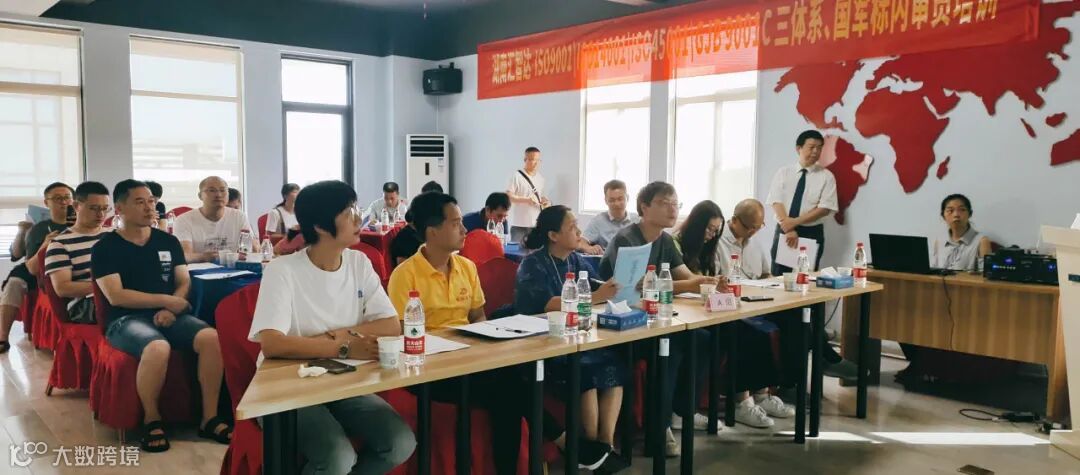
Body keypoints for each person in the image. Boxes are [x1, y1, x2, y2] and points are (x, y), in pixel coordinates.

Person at [388, 192, 608, 472]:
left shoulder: (466, 267)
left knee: (512, 383)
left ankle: (557, 449)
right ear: (433, 232)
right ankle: (567, 444)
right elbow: (402, 335)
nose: (465, 229)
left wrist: (487, 338)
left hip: (469, 358)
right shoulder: (405, 275)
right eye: (456, 223)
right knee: (511, 388)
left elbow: (477, 316)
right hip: (428, 368)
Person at [250, 180, 416, 474]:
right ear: (321, 226)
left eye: (357, 209)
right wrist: (344, 346)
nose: (359, 219)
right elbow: (273, 343)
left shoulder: (358, 262)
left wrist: (340, 336)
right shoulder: (282, 270)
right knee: (337, 457)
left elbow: (391, 325)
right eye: (349, 212)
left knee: (400, 442)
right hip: (288, 385)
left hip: (344, 381)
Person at [91, 179, 230, 452]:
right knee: (157, 347)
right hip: (125, 320)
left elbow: (183, 281)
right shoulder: (106, 247)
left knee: (212, 338)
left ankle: (209, 417)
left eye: (151, 201)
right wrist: (166, 301)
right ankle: (152, 419)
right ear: (119, 208)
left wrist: (170, 308)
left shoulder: (167, 241)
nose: (149, 207)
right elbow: (116, 295)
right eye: (140, 202)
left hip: (169, 315)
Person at [598, 182, 719, 456]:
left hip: (650, 319)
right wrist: (690, 285)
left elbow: (685, 276)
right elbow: (638, 287)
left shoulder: (665, 240)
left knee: (703, 338)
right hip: (618, 323)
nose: (673, 209)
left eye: (676, 204)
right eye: (666, 203)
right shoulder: (627, 240)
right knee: (669, 347)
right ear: (644, 207)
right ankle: (658, 430)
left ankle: (680, 411)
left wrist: (708, 282)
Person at [514, 205, 628, 469]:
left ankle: (605, 447)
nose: (579, 232)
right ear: (553, 235)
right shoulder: (533, 264)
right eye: (572, 227)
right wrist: (595, 297)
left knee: (613, 365)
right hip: (543, 343)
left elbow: (597, 287)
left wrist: (613, 288)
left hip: (576, 337)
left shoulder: (576, 260)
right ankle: (589, 448)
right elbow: (547, 303)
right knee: (584, 370)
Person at [673, 200, 793, 428]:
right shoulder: (677, 244)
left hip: (715, 306)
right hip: (692, 311)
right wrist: (709, 284)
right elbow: (691, 281)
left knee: (765, 328)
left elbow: (761, 274)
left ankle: (761, 395)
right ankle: (740, 402)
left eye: (715, 230)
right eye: (709, 229)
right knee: (742, 332)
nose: (712, 235)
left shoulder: (710, 245)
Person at [766, 130, 854, 380]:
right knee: (781, 291)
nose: (815, 152)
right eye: (811, 147)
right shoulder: (784, 172)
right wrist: (788, 226)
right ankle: (789, 355)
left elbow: (825, 208)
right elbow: (776, 201)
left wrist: (795, 223)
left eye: (819, 148)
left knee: (804, 292)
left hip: (810, 234)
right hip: (784, 232)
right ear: (799, 148)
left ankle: (815, 353)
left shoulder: (826, 176)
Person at [898, 194, 994, 384]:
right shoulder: (939, 241)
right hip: (937, 298)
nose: (956, 214)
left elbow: (987, 277)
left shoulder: (981, 241)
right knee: (905, 317)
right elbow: (933, 270)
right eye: (950, 210)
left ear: (970, 214)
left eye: (961, 210)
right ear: (943, 216)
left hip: (967, 301)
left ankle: (926, 367)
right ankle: (920, 364)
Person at [0, 182, 75, 353]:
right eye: (58, 198)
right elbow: (31, 267)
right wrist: (45, 245)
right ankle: (3, 337)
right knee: (14, 283)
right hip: (37, 271)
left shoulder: (82, 223)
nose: (64, 202)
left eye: (67, 197)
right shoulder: (39, 229)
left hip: (70, 267)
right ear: (47, 203)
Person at [44, 182, 112, 320]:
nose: (101, 214)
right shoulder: (60, 244)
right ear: (76, 206)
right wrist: (111, 287)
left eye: (105, 209)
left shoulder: (114, 235)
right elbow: (63, 288)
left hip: (121, 296)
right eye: (93, 208)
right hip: (86, 305)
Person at [173, 176, 258, 263]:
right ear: (200, 196)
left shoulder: (239, 216)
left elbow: (254, 249)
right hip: (198, 269)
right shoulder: (183, 220)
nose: (218, 195)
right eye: (212, 190)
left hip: (233, 268)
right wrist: (204, 257)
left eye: (222, 190)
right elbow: (185, 256)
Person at [506, 146, 550, 244]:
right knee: (518, 252)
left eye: (538, 160)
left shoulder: (541, 179)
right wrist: (527, 200)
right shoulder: (517, 176)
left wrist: (546, 202)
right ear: (525, 159)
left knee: (536, 252)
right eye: (533, 160)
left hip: (536, 225)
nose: (536, 163)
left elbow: (541, 197)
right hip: (519, 225)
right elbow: (509, 196)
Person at [581, 179, 636, 255]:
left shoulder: (638, 220)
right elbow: (581, 242)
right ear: (606, 201)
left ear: (627, 198)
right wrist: (588, 248)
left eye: (620, 199)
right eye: (612, 200)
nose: (616, 204)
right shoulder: (598, 221)